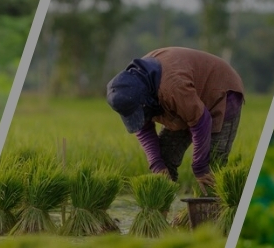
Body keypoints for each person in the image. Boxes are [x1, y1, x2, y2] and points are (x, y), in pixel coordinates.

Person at [105, 47, 245, 192]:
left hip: (220, 90)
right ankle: (161, 211)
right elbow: (143, 128)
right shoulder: (134, 91)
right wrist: (156, 164)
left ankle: (212, 212)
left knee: (211, 167)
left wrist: (200, 167)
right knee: (163, 162)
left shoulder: (172, 86)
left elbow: (201, 121)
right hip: (186, 101)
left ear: (144, 99)